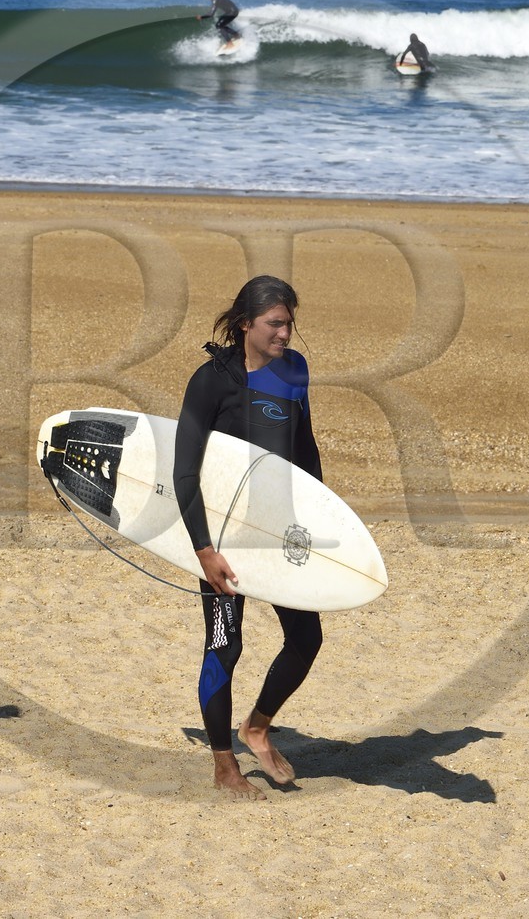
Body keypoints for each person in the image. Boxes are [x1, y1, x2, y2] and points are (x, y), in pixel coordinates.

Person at [173, 275, 323, 799]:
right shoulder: (211, 381)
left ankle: (256, 726)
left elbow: (305, 450)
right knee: (224, 647)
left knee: (307, 639)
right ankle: (223, 765)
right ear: (245, 325)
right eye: (275, 323)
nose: (286, 333)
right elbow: (184, 473)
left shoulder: (295, 370)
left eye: (289, 323)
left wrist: (318, 516)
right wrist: (204, 550)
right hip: (224, 538)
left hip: (280, 533)